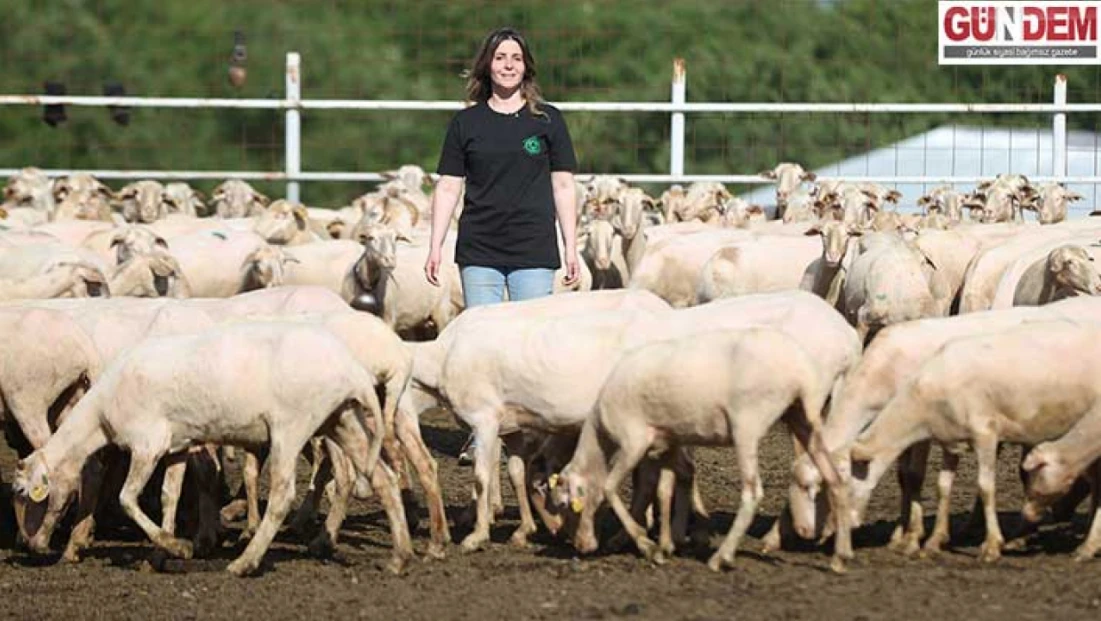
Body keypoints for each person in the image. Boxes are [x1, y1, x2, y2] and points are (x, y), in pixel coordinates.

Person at [424, 27, 580, 465]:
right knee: (482, 345)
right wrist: (435, 245)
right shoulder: (466, 123)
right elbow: (449, 187)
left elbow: (564, 184)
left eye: (515, 57)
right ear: (486, 66)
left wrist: (571, 246)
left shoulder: (547, 120)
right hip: (481, 250)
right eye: (499, 58)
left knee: (532, 345)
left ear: (526, 66)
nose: (508, 65)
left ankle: (536, 435)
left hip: (533, 246)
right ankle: (481, 433)